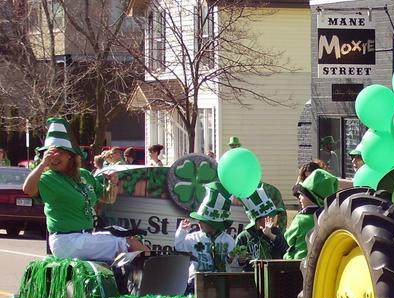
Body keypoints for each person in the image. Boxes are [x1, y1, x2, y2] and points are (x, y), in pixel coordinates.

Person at [22, 117, 148, 261]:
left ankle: (132, 280)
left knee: (129, 237)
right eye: (50, 154)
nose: (54, 158)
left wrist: (112, 183)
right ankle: (155, 280)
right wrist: (42, 164)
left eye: (59, 153)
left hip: (86, 237)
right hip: (66, 240)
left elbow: (108, 198)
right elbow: (27, 189)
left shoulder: (84, 175)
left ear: (71, 155)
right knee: (127, 243)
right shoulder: (48, 178)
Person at [174, 181, 236, 289]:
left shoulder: (228, 240)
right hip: (195, 282)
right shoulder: (194, 237)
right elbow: (179, 246)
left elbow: (231, 262)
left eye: (202, 221)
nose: (198, 222)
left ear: (213, 224)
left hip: (220, 282)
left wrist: (235, 259)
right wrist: (182, 231)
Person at [284, 168, 338, 260]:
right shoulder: (329, 219)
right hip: (322, 261)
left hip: (299, 260)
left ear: (312, 197)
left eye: (302, 194)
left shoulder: (301, 219)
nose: (299, 197)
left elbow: (289, 238)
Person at [232, 183, 288, 268]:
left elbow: (285, 249)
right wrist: (240, 260)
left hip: (274, 275)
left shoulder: (275, 232)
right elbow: (237, 260)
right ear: (257, 219)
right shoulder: (243, 237)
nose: (272, 218)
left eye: (273, 215)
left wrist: (271, 236)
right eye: (269, 216)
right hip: (252, 276)